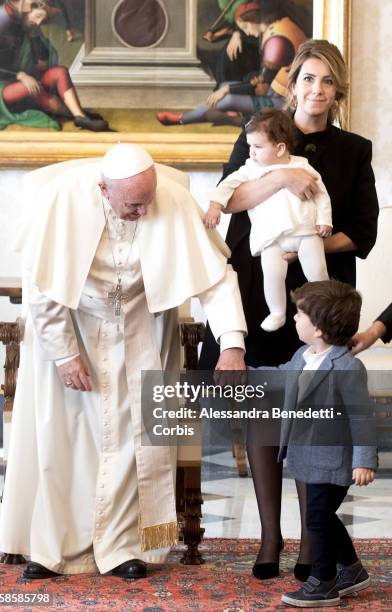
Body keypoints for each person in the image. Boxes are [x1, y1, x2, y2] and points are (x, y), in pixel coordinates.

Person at [0, 144, 247, 580]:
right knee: (66, 443)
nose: (144, 210)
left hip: (142, 330)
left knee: (136, 447)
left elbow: (216, 279)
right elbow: (42, 284)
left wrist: (231, 343)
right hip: (72, 331)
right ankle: (55, 549)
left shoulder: (168, 200)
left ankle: (128, 549)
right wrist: (64, 355)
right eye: (134, 203)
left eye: (148, 199)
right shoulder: (63, 201)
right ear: (103, 189)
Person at [199, 39, 379, 581]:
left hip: (321, 296)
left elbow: (364, 231)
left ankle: (311, 539)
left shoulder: (355, 149)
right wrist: (281, 177)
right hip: (261, 289)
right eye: (308, 79)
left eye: (327, 81)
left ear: (337, 89)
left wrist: (308, 242)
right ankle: (270, 536)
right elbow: (228, 200)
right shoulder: (261, 133)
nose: (317, 90)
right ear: (293, 82)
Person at [267, 280, 376, 607]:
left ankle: (323, 580)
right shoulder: (303, 355)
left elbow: (361, 418)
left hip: (334, 461)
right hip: (307, 456)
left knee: (316, 517)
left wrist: (364, 460)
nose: (295, 319)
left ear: (319, 329)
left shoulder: (347, 367)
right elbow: (281, 375)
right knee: (323, 515)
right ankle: (353, 570)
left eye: (300, 315)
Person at [204, 108, 331, 331]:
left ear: (280, 148)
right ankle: (277, 312)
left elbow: (321, 194)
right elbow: (227, 185)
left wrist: (324, 220)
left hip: (306, 232)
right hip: (272, 238)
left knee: (317, 271)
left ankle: (324, 305)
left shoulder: (301, 165)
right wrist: (215, 205)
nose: (251, 152)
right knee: (272, 276)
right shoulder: (251, 168)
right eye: (250, 146)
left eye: (258, 147)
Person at [157, 0, 307, 127]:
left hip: (286, 103)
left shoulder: (276, 41)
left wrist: (229, 89)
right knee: (223, 88)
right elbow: (268, 77)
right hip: (277, 91)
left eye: (246, 27)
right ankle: (241, 119)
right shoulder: (277, 26)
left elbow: (262, 88)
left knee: (226, 97)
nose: (247, 33)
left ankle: (181, 119)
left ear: (254, 19)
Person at [0, 1, 107, 131]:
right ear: (28, 10)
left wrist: (34, 36)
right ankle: (78, 115)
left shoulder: (28, 29)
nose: (38, 23)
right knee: (31, 88)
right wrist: (20, 75)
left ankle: (79, 116)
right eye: (37, 17)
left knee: (60, 72)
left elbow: (42, 65)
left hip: (21, 80)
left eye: (42, 21)